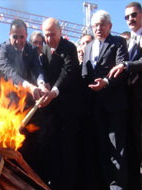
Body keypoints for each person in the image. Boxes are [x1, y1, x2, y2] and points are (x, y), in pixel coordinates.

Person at [35, 17, 85, 190]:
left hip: (69, 110)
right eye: (46, 36)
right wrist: (44, 84)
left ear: (60, 32)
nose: (49, 39)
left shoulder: (69, 48)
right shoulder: (46, 51)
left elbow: (68, 72)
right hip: (52, 113)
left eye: (52, 35)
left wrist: (54, 91)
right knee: (53, 149)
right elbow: (42, 72)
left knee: (68, 150)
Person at [82, 10, 128, 190]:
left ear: (110, 26)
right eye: (95, 25)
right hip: (94, 107)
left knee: (116, 150)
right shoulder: (88, 47)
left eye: (102, 24)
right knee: (100, 148)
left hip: (114, 106)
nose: (98, 28)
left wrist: (107, 82)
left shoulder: (118, 42)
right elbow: (85, 75)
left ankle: (117, 187)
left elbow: (121, 68)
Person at [108, 2, 142, 190]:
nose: (130, 19)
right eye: (127, 17)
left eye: (134, 15)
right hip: (128, 105)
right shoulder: (126, 43)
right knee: (131, 151)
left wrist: (127, 65)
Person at [0, 19, 46, 102]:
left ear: (26, 36)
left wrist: (41, 83)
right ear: (9, 35)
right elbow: (9, 72)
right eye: (15, 37)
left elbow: (37, 68)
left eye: (21, 37)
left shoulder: (32, 49)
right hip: (7, 99)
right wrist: (28, 86)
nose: (18, 41)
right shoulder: (3, 49)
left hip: (28, 99)